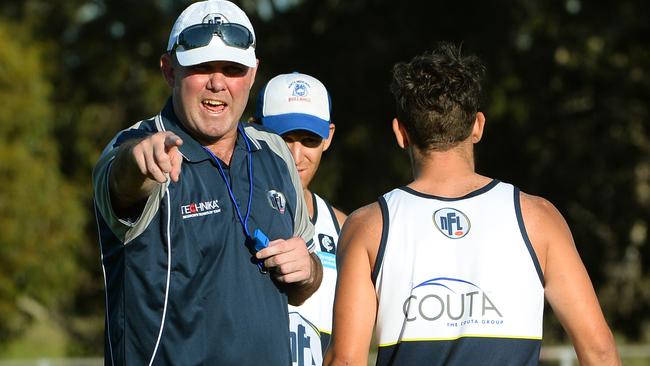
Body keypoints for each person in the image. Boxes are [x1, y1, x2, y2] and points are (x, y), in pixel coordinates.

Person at [323, 43, 621, 366]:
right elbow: (599, 350)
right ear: (478, 126)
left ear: (401, 133)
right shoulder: (538, 218)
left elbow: (345, 360)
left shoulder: (368, 225)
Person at [92, 1, 323, 365]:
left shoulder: (276, 153)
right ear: (169, 70)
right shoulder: (138, 146)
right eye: (202, 67)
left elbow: (303, 286)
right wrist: (140, 162)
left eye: (232, 68)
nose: (218, 82)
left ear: (252, 73)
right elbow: (123, 184)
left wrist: (308, 269)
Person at [254, 72, 347, 366]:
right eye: (284, 138)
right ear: (254, 131)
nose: (295, 155)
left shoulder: (346, 228)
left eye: (309, 140)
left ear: (328, 137)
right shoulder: (228, 212)